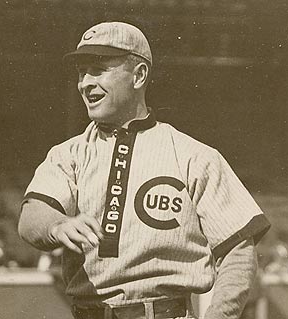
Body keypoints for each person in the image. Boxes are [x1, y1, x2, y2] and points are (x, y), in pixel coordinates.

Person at [18, 21, 271, 319]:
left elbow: (238, 249)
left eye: (98, 69)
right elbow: (31, 216)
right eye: (81, 72)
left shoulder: (193, 156)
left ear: (139, 75)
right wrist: (57, 225)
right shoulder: (69, 154)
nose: (85, 82)